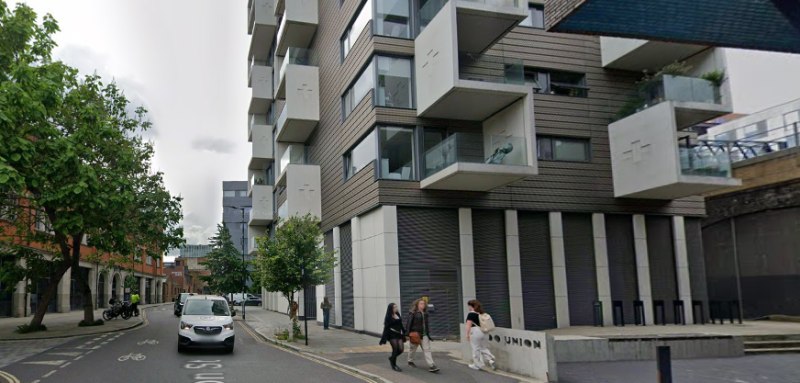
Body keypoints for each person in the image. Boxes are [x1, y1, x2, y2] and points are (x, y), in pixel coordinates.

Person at [406, 299, 439, 373]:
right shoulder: (413, 313)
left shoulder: (425, 313)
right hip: (415, 334)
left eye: (424, 304)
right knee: (413, 349)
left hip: (424, 335)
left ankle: (432, 365)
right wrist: (407, 334)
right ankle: (410, 361)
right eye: (421, 303)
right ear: (417, 304)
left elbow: (426, 325)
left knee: (427, 350)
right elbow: (408, 324)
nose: (423, 305)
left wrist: (428, 334)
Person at [466, 299, 496, 371]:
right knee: (483, 347)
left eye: (469, 306)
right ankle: (490, 359)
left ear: (471, 306)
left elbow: (468, 325)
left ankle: (477, 365)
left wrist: (467, 334)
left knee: (475, 348)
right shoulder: (481, 314)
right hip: (484, 332)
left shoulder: (471, 314)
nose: (468, 307)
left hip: (475, 331)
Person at [379, 303, 406, 372]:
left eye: (396, 307)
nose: (396, 308)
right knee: (395, 349)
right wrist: (383, 339)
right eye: (394, 307)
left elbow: (401, 325)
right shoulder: (388, 317)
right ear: (391, 308)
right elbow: (386, 328)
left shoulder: (398, 314)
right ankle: (394, 365)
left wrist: (405, 332)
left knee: (401, 349)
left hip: (398, 334)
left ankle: (391, 358)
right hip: (392, 335)